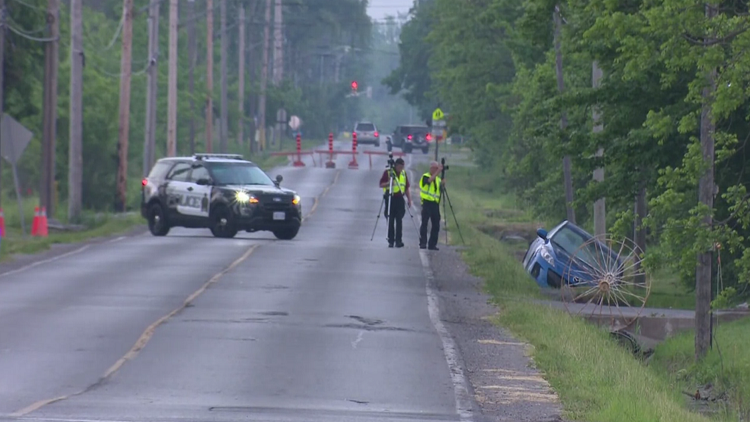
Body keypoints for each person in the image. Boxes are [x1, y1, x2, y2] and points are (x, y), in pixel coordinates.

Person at [379, 157, 412, 248]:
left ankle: (398, 241)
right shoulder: (388, 172)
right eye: (400, 166)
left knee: (399, 220)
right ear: (396, 165)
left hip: (400, 198)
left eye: (402, 167)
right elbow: (381, 184)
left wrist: (409, 200)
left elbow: (406, 187)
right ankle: (391, 240)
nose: (401, 168)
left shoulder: (404, 174)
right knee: (390, 219)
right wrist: (388, 183)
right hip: (390, 198)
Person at [419, 161, 444, 250]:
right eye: (435, 168)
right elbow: (429, 181)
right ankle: (423, 243)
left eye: (437, 169)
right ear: (431, 168)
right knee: (424, 223)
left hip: (435, 203)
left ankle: (432, 244)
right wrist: (438, 172)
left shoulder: (438, 179)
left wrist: (443, 184)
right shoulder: (425, 176)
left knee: (436, 224)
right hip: (426, 202)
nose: (436, 170)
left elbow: (439, 191)